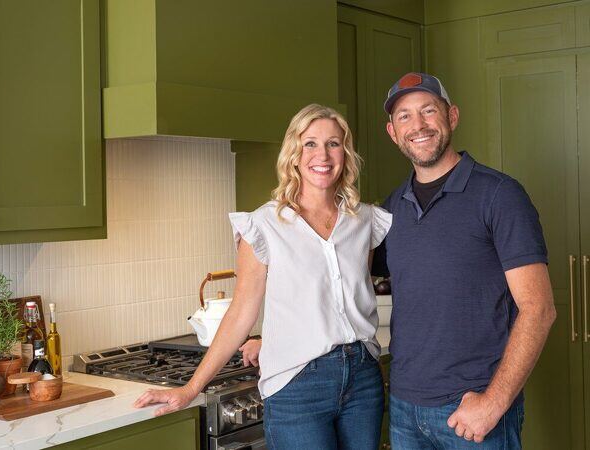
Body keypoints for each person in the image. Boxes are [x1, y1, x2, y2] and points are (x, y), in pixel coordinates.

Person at [134, 103, 392, 450]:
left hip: (362, 376)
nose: (323, 155)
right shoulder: (265, 226)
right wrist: (191, 388)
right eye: (310, 143)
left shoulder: (364, 220)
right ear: (294, 154)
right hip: (299, 384)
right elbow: (242, 312)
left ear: (345, 153)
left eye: (334, 143)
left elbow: (337, 300)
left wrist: (268, 339)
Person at [375, 72, 556, 449]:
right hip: (405, 410)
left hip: (473, 412)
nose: (418, 125)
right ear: (393, 132)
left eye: (428, 110)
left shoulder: (499, 195)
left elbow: (539, 309)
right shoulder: (392, 208)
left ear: (452, 116)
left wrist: (494, 402)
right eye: (405, 116)